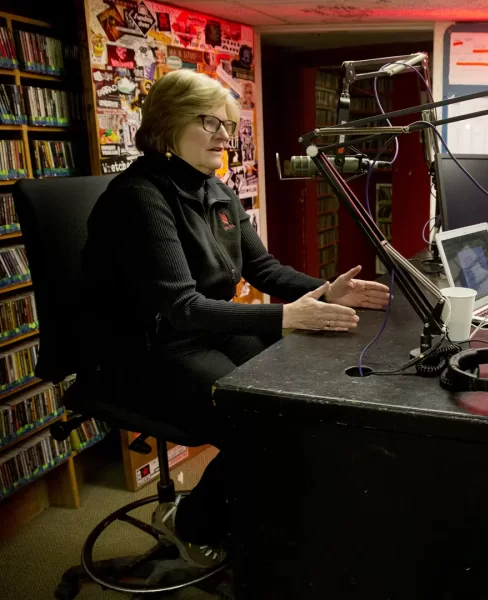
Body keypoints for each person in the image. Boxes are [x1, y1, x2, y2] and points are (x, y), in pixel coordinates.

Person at [81, 69, 391, 566]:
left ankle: (257, 513)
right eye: (212, 123)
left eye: (229, 125)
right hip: (146, 349)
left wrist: (325, 291)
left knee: (300, 395)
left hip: (206, 331)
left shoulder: (213, 187)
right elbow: (181, 309)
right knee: (261, 423)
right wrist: (288, 317)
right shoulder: (140, 198)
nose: (226, 137)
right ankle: (190, 522)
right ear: (169, 123)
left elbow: (263, 268)